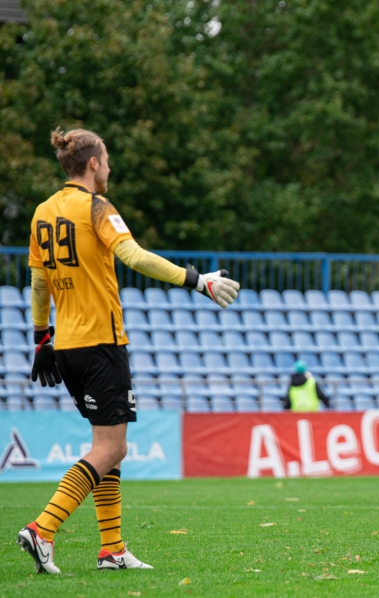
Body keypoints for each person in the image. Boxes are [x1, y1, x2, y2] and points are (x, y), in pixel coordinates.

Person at [17, 128, 240, 575]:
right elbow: (134, 256)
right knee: (111, 446)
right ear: (93, 163)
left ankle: (112, 549)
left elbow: (39, 282)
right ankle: (43, 529)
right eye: (106, 159)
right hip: (101, 342)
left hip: (67, 346)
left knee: (108, 446)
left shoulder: (43, 212)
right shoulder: (96, 207)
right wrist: (197, 280)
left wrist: (42, 338)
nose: (109, 167)